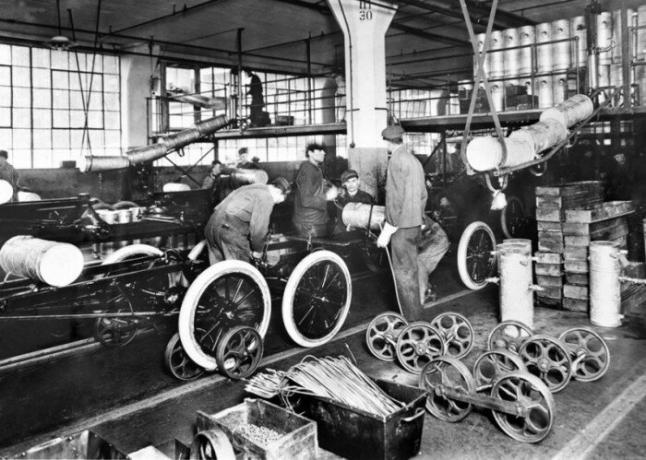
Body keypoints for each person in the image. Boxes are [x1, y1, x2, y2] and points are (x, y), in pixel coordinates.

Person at [376, 125, 428, 321]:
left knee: (404, 275)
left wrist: (388, 228)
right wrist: (420, 218)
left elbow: (394, 198)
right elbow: (423, 194)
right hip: (415, 225)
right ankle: (416, 316)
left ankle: (413, 324)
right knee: (412, 271)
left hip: (401, 228)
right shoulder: (414, 161)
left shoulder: (396, 161)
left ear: (388, 143)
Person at [204, 177, 291, 264]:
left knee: (220, 272)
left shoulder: (249, 189)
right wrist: (258, 250)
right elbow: (258, 229)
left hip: (211, 226)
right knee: (241, 272)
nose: (274, 204)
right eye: (276, 202)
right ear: (279, 192)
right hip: (229, 231)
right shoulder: (266, 196)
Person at [293, 143, 338, 238]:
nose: (324, 153)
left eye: (324, 151)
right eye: (320, 150)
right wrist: (327, 196)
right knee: (314, 250)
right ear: (310, 153)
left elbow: (314, 188)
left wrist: (327, 187)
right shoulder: (308, 170)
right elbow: (306, 200)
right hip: (310, 222)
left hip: (315, 219)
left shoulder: (315, 169)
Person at [335, 169, 374, 233]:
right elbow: (339, 220)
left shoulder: (367, 198)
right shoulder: (340, 199)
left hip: (363, 234)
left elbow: (372, 220)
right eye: (348, 182)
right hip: (344, 233)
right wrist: (346, 230)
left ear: (358, 181)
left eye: (353, 181)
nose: (351, 184)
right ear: (344, 184)